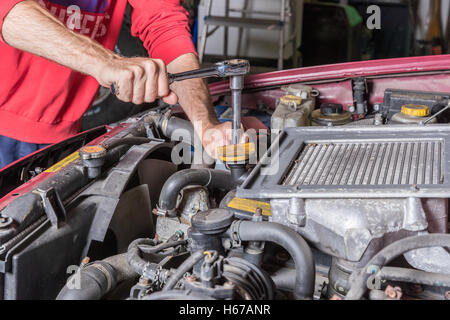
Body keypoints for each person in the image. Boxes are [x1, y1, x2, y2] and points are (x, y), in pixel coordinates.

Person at [0, 0, 233, 168]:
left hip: (63, 131)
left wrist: (206, 125)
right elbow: (7, 10)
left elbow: (165, 26)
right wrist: (105, 61)